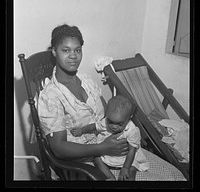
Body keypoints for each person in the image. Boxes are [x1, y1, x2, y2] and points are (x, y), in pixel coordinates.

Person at [38, 23, 186, 181]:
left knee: (175, 175)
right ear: (54, 51)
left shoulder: (86, 81)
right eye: (66, 50)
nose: (73, 56)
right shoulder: (51, 96)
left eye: (78, 50)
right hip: (89, 161)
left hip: (114, 144)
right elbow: (58, 148)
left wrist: (126, 132)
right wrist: (102, 147)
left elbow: (107, 115)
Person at [71, 95, 150, 181]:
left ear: (129, 119)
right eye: (110, 122)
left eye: (119, 124)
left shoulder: (132, 130)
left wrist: (125, 168)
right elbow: (94, 127)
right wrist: (82, 130)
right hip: (106, 153)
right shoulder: (105, 122)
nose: (113, 127)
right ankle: (109, 177)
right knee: (97, 159)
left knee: (132, 168)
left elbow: (132, 151)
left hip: (126, 157)